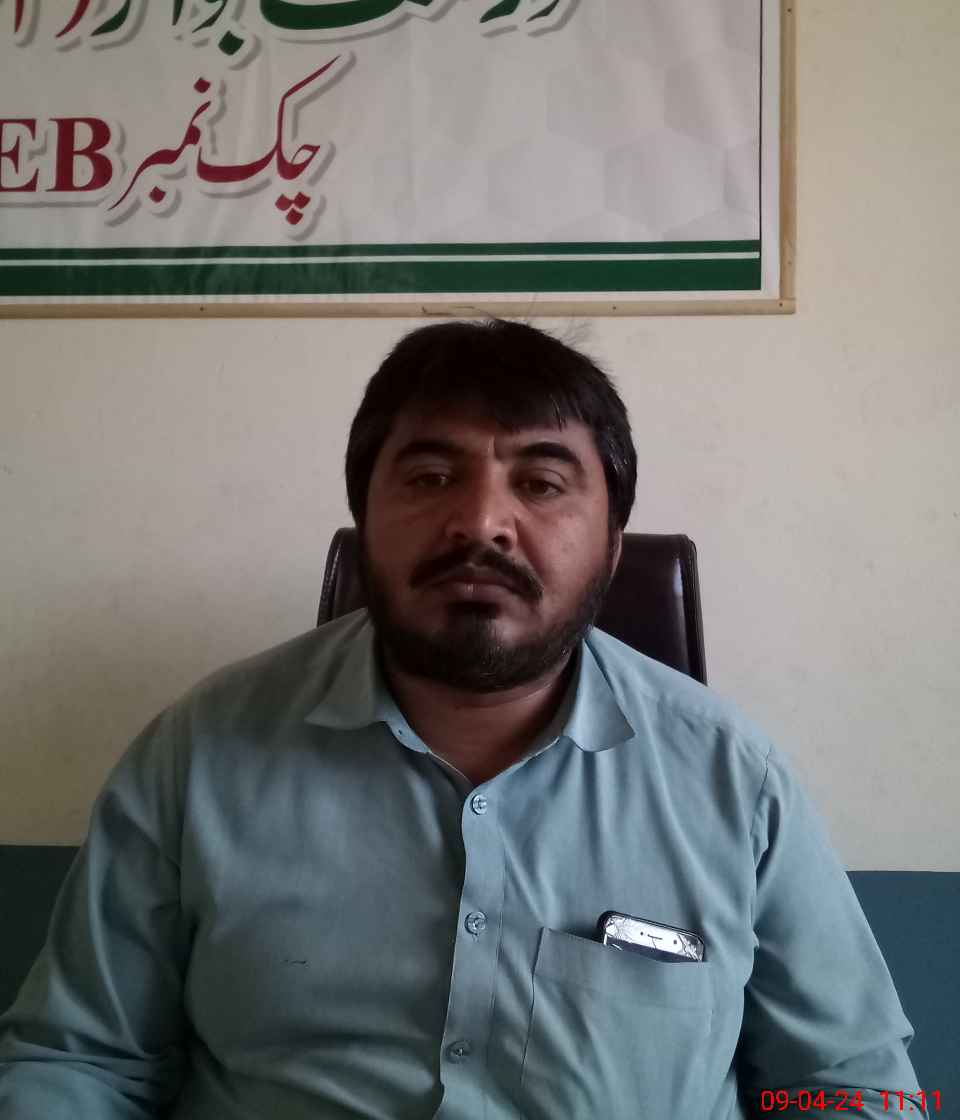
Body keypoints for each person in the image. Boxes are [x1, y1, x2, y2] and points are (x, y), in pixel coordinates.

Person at [0, 319, 925, 1119]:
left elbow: (853, 1086)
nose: (481, 523)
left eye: (543, 482)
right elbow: (80, 1059)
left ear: (612, 545)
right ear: (364, 519)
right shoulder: (199, 752)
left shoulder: (733, 779)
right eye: (432, 475)